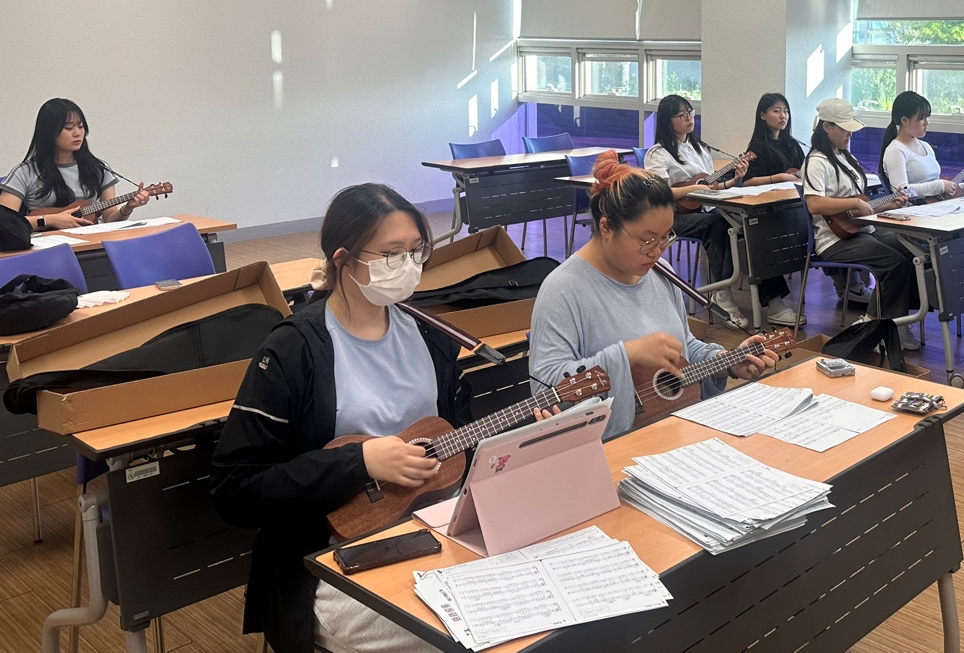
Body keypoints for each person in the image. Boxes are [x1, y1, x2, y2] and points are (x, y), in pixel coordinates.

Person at [211, 184, 468, 653]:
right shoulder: (293, 349)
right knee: (450, 635)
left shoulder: (432, 336)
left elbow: (459, 439)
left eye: (416, 251)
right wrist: (358, 463)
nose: (409, 266)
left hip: (429, 530)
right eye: (392, 255)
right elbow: (236, 489)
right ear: (344, 260)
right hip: (329, 558)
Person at [529, 151, 778, 439]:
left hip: (676, 429)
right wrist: (627, 354)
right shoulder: (563, 289)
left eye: (666, 237)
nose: (658, 251)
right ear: (606, 227)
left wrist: (726, 361)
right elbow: (545, 389)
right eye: (647, 240)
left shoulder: (661, 272)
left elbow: (684, 349)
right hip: (612, 444)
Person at [879, 91, 964, 342]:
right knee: (962, 247)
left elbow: (941, 191)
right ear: (904, 120)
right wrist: (940, 185)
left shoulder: (925, 147)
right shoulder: (895, 151)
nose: (926, 123)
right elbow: (903, 192)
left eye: (927, 118)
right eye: (921, 118)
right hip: (913, 218)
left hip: (935, 211)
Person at [802, 97, 923, 351]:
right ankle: (869, 325)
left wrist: (887, 205)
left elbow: (859, 208)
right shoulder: (817, 161)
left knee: (913, 250)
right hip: (834, 241)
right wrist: (854, 203)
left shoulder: (845, 157)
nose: (849, 134)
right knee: (894, 264)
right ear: (826, 127)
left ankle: (894, 320)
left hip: (860, 230)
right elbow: (814, 203)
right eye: (844, 129)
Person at [644, 93, 751, 328]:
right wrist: (691, 189)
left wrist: (733, 181)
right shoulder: (658, 153)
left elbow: (709, 187)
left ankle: (760, 292)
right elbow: (659, 193)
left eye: (690, 113)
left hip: (703, 209)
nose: (689, 118)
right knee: (717, 225)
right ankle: (722, 292)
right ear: (667, 121)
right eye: (681, 115)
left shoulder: (700, 148)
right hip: (672, 216)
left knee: (742, 222)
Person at [1, 98, 151, 230]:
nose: (77, 133)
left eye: (80, 126)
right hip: (47, 245)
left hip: (91, 242)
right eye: (68, 128)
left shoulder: (98, 169)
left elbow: (110, 218)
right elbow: (5, 222)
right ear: (49, 132)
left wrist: (127, 208)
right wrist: (50, 220)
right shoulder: (24, 173)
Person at [738, 92, 808, 327]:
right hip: (767, 210)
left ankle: (850, 286)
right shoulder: (757, 147)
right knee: (762, 239)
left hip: (793, 205)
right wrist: (779, 177)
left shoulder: (792, 144)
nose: (782, 116)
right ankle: (775, 305)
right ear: (763, 115)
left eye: (785, 111)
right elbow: (748, 182)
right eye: (776, 111)